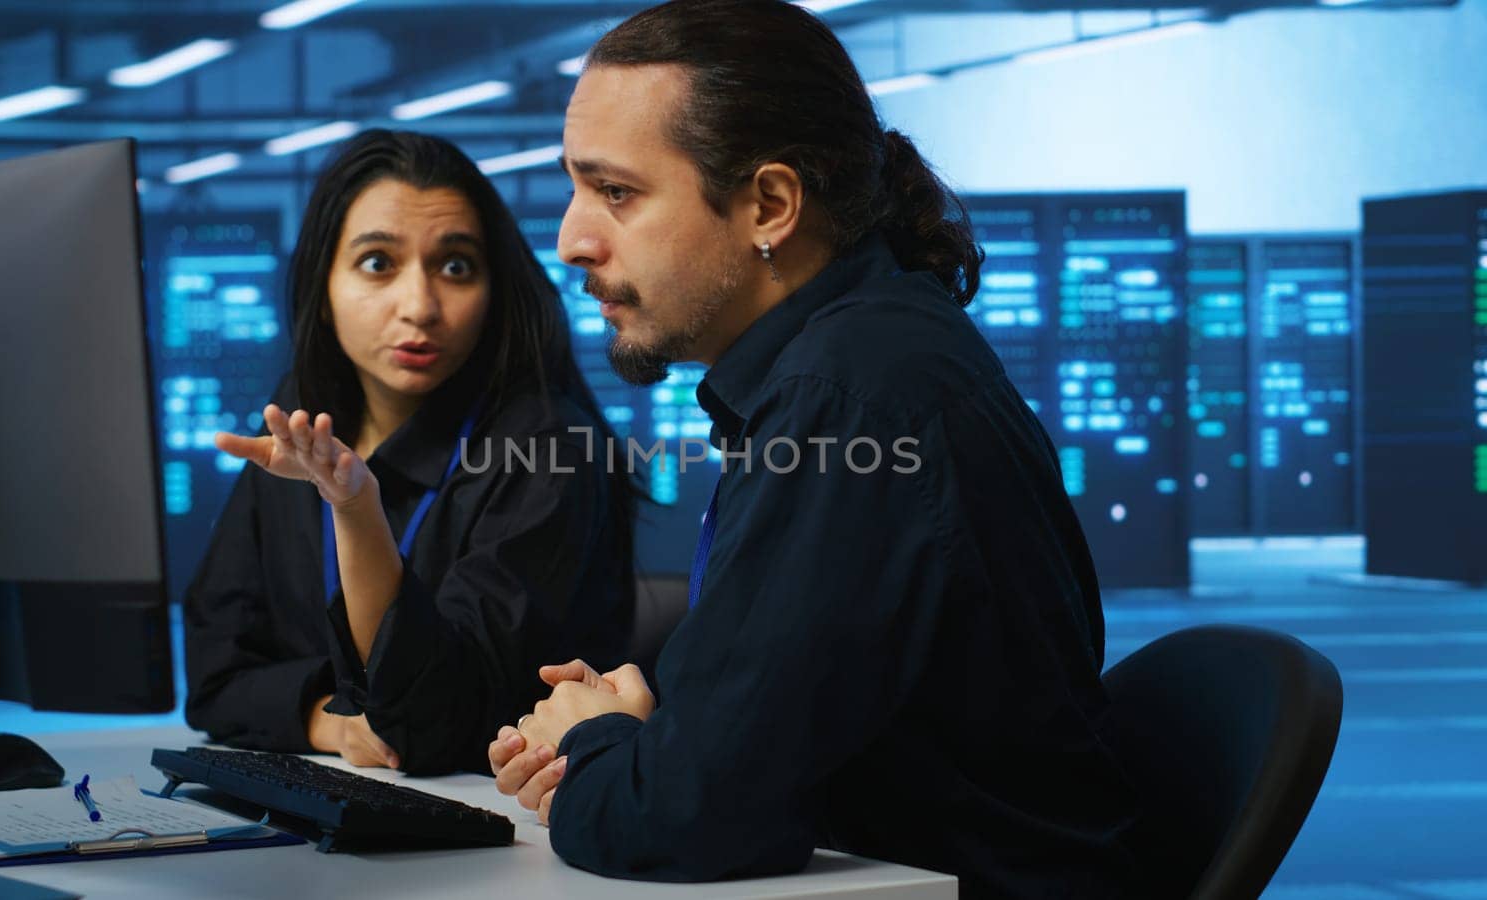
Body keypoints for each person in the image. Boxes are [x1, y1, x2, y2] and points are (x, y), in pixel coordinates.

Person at [487, 2, 1142, 896]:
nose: (572, 240)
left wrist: (596, 745)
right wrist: (642, 731)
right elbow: (745, 752)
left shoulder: (847, 398)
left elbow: (680, 824)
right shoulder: (866, 357)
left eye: (617, 193)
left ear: (770, 205)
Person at [183, 129, 636, 775]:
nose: (420, 307)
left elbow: (430, 723)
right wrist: (326, 722)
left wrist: (353, 508)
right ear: (323, 285)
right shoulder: (306, 419)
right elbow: (214, 681)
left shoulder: (547, 449)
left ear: (493, 289)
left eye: (456, 267)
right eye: (377, 263)